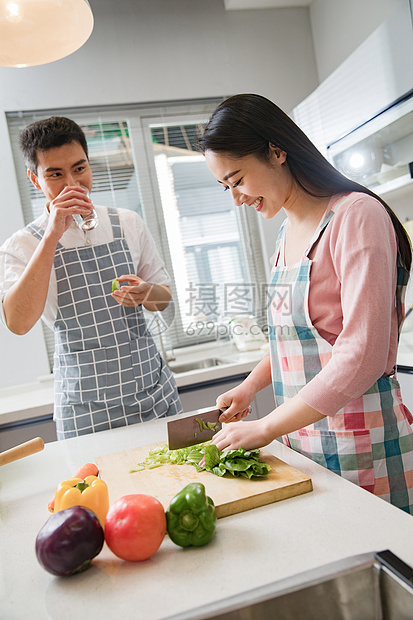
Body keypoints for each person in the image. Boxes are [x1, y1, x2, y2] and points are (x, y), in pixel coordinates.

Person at [198, 93, 413, 514]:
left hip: (365, 443)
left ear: (276, 152)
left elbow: (362, 353)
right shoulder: (285, 234)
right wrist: (250, 387)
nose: (236, 199)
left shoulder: (356, 215)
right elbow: (288, 339)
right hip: (307, 442)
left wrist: (265, 427)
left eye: (238, 179)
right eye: (226, 187)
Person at [0, 116, 182, 439]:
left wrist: (146, 294)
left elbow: (164, 298)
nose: (72, 184)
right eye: (55, 174)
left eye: (79, 168)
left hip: (152, 397)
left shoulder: (127, 223)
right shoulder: (22, 245)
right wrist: (52, 235)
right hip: (85, 411)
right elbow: (18, 322)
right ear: (34, 178)